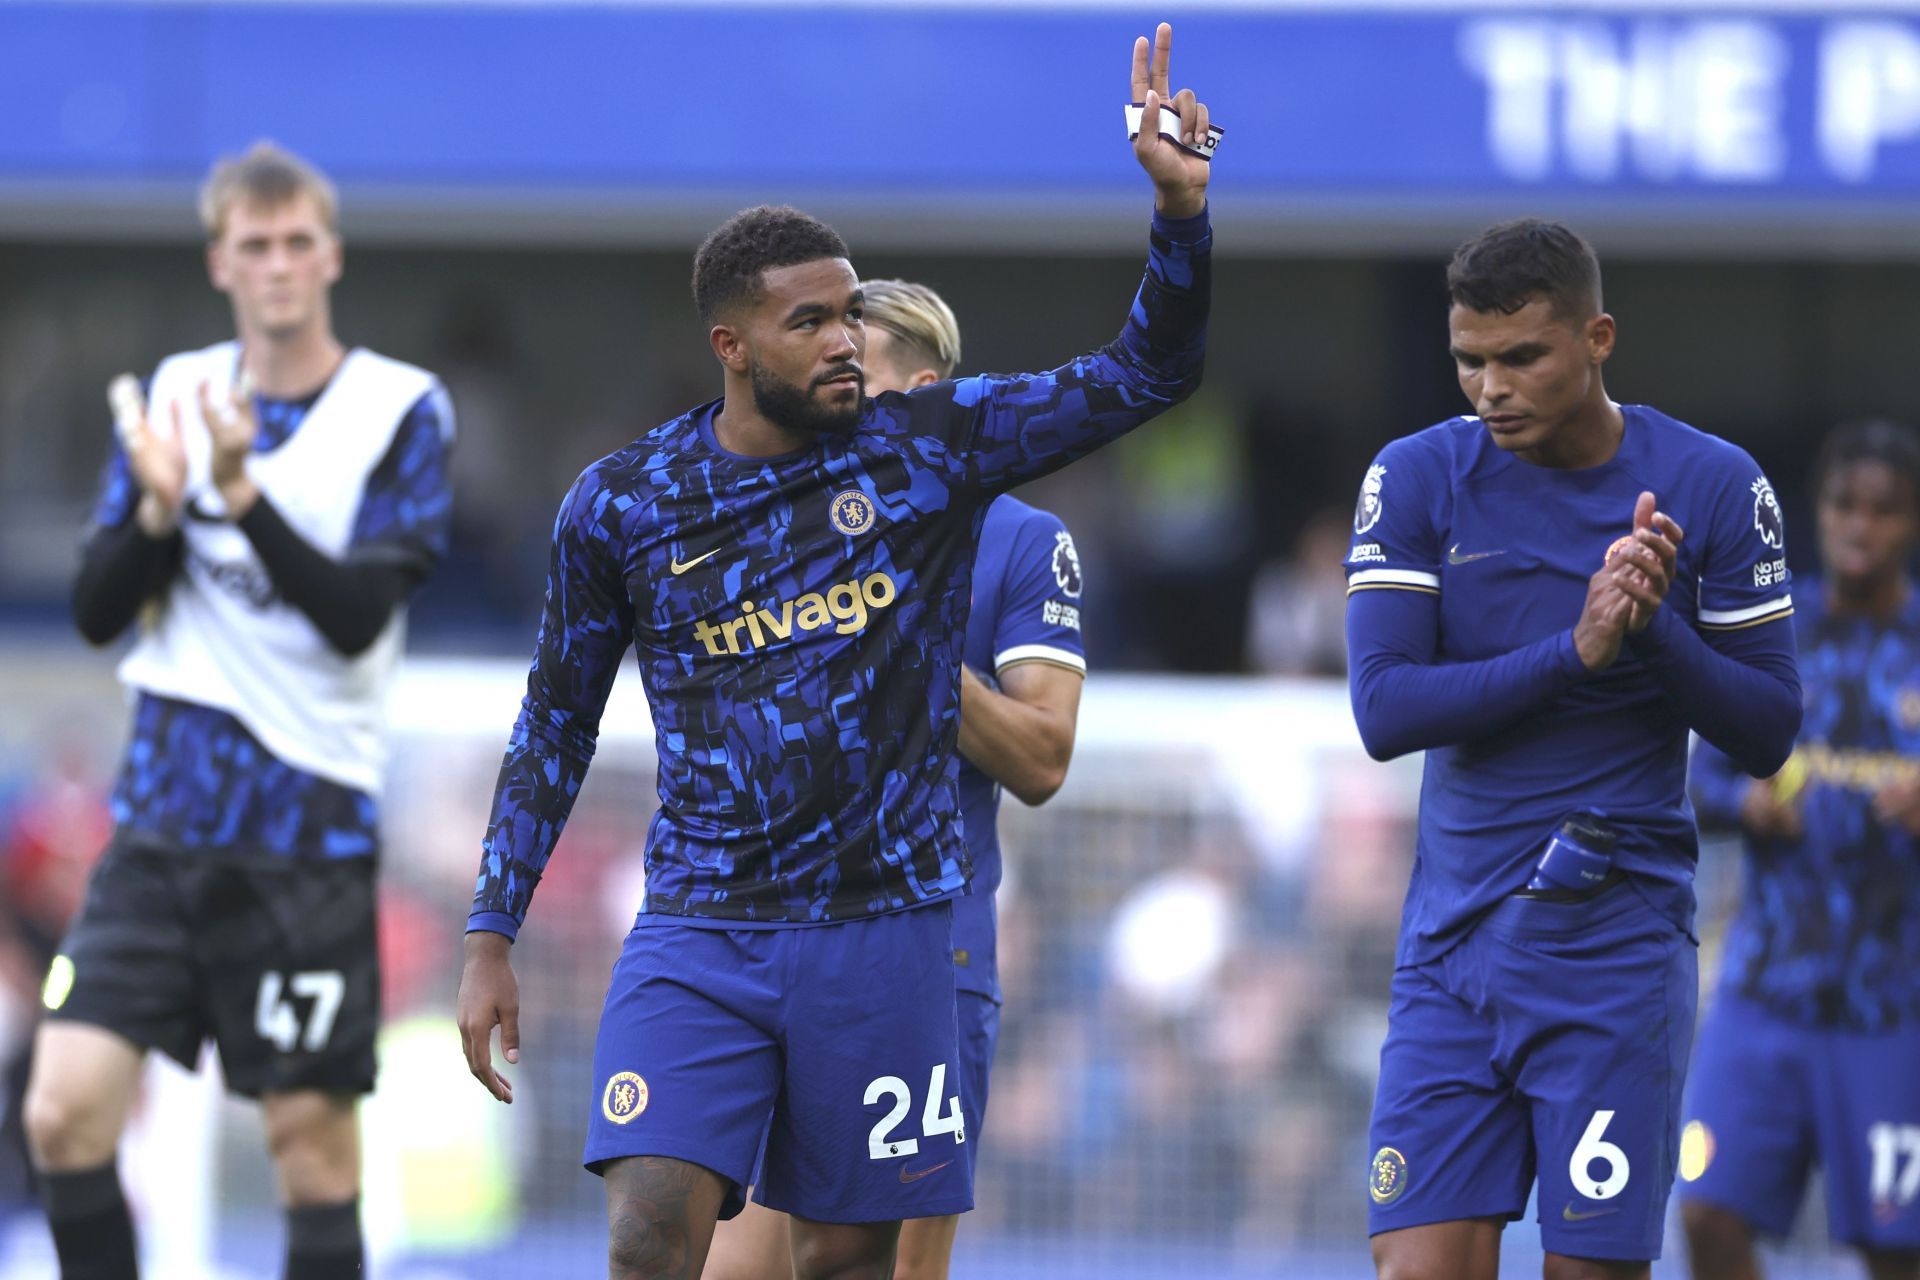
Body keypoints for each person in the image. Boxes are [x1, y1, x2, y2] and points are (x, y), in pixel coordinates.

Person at [455, 23, 1208, 1280]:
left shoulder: (926, 447)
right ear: (733, 345)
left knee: (845, 1264)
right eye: (813, 323)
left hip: (890, 933)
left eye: (854, 315)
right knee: (648, 1228)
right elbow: (555, 720)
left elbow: (1147, 374)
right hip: (702, 922)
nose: (849, 340)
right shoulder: (625, 503)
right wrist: (491, 932)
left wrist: (1178, 217)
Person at [24, 141, 454, 1280]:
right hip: (160, 827)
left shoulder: (399, 407)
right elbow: (98, 609)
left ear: (333, 255)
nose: (277, 265)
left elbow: (357, 612)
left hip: (304, 835)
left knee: (309, 1151)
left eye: (297, 242)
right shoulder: (175, 388)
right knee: (62, 1110)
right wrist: (161, 511)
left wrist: (243, 491)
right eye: (254, 245)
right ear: (220, 260)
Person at [1344, 218, 1801, 1280]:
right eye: (1469, 360)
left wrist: (1655, 631)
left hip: (1612, 953)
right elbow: (1385, 710)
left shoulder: (1716, 485)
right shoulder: (1416, 479)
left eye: (1521, 356)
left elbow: (1770, 729)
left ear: (1598, 337)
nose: (1489, 386)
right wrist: (1578, 648)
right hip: (1450, 953)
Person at [700, 279, 1088, 1280]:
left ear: (920, 395)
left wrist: (908, 648)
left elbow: (1044, 757)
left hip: (924, 950)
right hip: (766, 940)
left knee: (887, 1266)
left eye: (853, 376)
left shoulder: (1021, 541)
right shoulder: (773, 523)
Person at [1680, 420, 1920, 1280]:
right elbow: (1699, 783)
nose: (1861, 526)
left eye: (1885, 511)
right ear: (1817, 513)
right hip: (1766, 993)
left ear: (1912, 524)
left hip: (1892, 1007)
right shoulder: (1772, 633)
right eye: (1844, 506)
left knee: (1897, 1250)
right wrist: (1749, 801)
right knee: (1705, 1211)